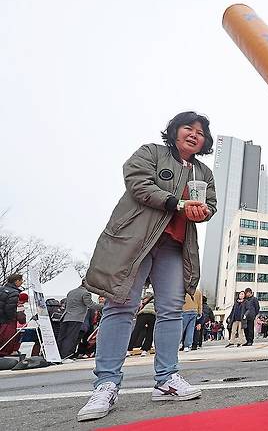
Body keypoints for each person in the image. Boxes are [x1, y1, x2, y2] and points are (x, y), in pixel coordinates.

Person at [77, 111, 217, 422]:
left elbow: (211, 205)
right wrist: (176, 204)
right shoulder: (151, 153)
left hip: (174, 246)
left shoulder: (203, 172)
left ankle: (166, 379)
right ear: (174, 130)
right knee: (121, 305)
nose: (195, 135)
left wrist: (202, 212)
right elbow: (137, 182)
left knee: (171, 309)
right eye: (188, 128)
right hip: (135, 240)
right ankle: (106, 384)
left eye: (201, 132)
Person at [58, 281, 104, 361]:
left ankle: (59, 355)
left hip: (65, 317)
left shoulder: (71, 292)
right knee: (71, 338)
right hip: (76, 318)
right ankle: (66, 356)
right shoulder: (86, 293)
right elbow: (90, 305)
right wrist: (103, 306)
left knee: (62, 337)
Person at [0, 274, 24, 357]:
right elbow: (10, 308)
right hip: (7, 321)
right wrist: (13, 317)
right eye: (21, 280)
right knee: (6, 339)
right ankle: (4, 355)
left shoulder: (1, 289)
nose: (22, 282)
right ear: (16, 281)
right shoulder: (14, 292)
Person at [181, 287, 202, 352]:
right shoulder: (198, 291)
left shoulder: (184, 290)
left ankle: (176, 343)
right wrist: (199, 312)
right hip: (194, 311)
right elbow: (200, 303)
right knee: (190, 329)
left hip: (184, 310)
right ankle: (187, 346)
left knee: (181, 329)